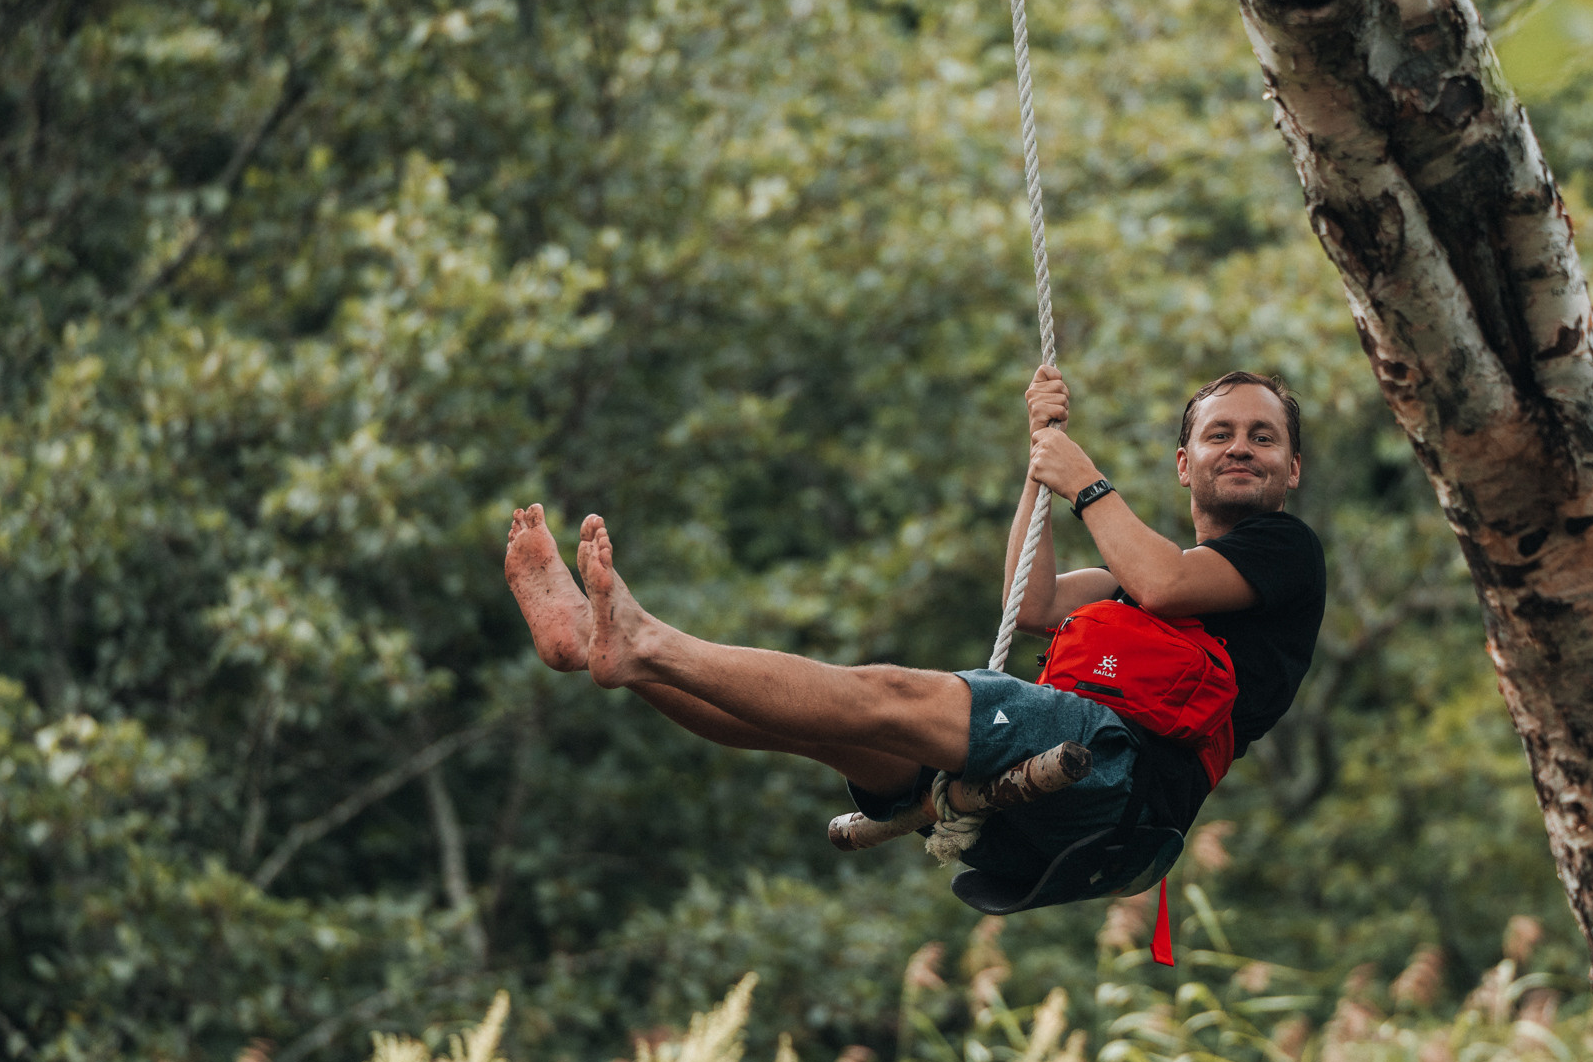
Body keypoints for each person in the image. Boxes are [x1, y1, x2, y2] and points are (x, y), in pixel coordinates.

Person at [503, 366, 1326, 914]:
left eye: (1263, 436)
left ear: (1292, 471)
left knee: (887, 691)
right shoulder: (1136, 570)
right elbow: (1028, 599)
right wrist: (1040, 469)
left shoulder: (1282, 554)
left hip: (1121, 778)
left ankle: (643, 641)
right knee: (825, 727)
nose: (1242, 447)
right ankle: (601, 648)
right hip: (1050, 810)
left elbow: (1166, 584)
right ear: (1186, 464)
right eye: (1222, 434)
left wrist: (1085, 480)